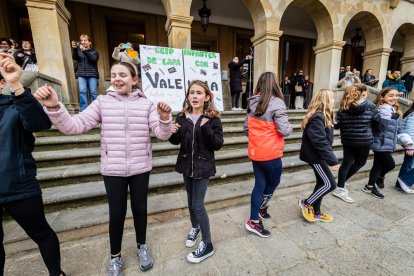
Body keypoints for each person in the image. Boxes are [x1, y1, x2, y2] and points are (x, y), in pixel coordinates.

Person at [34, 61, 172, 275]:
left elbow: (163, 135)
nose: (117, 78)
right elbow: (73, 126)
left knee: (140, 210)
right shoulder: (102, 102)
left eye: (123, 75)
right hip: (113, 169)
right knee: (116, 214)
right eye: (114, 74)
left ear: (134, 80)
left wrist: (164, 120)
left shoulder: (146, 105)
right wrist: (54, 106)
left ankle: (141, 246)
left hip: (140, 167)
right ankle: (115, 257)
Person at [0, 53, 65, 276]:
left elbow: (40, 123)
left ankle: (56, 273)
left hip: (19, 187)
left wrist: (16, 84)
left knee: (42, 234)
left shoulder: (15, 104)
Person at [169, 80, 223, 263]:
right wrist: (172, 132)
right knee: (191, 202)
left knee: (198, 205)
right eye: (191, 92)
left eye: (199, 93)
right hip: (186, 166)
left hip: (203, 166)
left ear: (207, 97)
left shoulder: (213, 118)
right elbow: (176, 142)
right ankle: (195, 227)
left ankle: (207, 244)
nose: (194, 96)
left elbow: (218, 144)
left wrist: (206, 128)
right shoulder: (182, 116)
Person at [243, 72, 293, 237]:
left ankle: (258, 213)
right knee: (272, 183)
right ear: (275, 85)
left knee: (260, 184)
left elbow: (246, 129)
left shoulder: (251, 101)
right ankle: (255, 218)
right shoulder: (277, 102)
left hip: (256, 152)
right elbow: (284, 130)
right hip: (271, 153)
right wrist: (291, 126)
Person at [332, 84, 381, 203]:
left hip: (347, 139)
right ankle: (340, 185)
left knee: (346, 162)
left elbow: (337, 125)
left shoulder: (344, 105)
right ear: (363, 93)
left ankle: (340, 186)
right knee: (360, 162)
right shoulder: (370, 106)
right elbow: (377, 123)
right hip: (364, 140)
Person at [298, 89, 340, 223]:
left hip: (318, 156)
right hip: (315, 157)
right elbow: (319, 141)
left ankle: (316, 212)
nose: (334, 100)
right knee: (330, 184)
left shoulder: (325, 115)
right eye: (332, 98)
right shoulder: (318, 117)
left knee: (322, 183)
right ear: (325, 100)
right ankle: (306, 202)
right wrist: (332, 161)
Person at [365, 88, 411, 199]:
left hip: (387, 142)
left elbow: (397, 129)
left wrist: (405, 140)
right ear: (382, 97)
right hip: (380, 142)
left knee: (377, 165)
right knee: (390, 164)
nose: (394, 98)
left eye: (396, 96)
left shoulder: (393, 109)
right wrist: (389, 115)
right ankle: (379, 178)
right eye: (391, 95)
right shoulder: (382, 109)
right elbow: (381, 126)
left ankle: (370, 186)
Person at [71, 34, 99, 111]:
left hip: (92, 74)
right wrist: (74, 49)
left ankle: (95, 109)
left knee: (93, 92)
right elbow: (75, 57)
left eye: (85, 40)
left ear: (89, 42)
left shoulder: (94, 51)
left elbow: (94, 60)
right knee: (82, 91)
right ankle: (83, 110)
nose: (83, 42)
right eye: (81, 40)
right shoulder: (79, 51)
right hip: (81, 74)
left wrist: (85, 51)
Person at [395, 102, 414, 193]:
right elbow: (409, 131)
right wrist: (411, 147)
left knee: (408, 163)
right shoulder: (412, 115)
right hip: (411, 143)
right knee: (408, 163)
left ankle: (400, 185)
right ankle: (405, 181)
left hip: (410, 143)